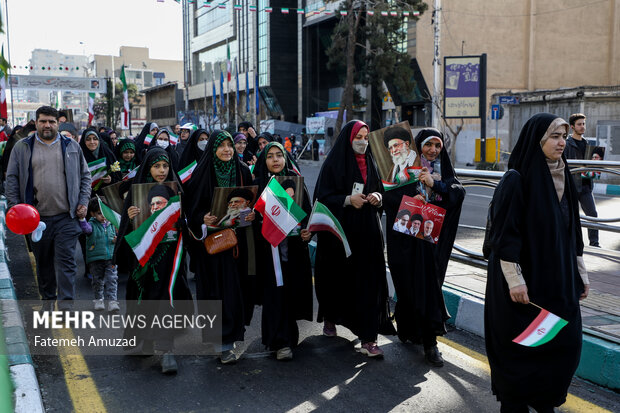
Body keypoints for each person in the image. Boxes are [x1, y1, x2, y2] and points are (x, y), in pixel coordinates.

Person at [484, 113, 589, 412]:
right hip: (524, 286)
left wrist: (581, 273)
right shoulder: (517, 179)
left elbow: (573, 232)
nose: (561, 143)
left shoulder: (564, 174)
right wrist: (515, 280)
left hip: (558, 281)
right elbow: (505, 236)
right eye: (554, 136)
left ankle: (545, 403)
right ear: (538, 140)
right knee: (521, 353)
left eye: (564, 136)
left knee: (563, 346)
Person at [383, 127, 464, 367]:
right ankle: (410, 329)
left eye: (438, 146)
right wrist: (409, 200)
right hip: (407, 242)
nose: (433, 150)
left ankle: (431, 343)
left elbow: (458, 192)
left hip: (431, 244)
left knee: (429, 288)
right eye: (428, 145)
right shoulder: (402, 169)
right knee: (408, 286)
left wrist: (435, 185)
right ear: (417, 147)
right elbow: (388, 196)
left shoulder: (443, 170)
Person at [313, 120, 395, 357]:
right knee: (338, 279)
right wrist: (348, 200)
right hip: (340, 234)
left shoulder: (372, 162)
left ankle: (369, 338)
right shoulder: (333, 164)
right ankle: (332, 317)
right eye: (358, 137)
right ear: (348, 139)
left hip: (368, 232)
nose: (363, 142)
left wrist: (378, 196)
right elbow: (323, 198)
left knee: (369, 281)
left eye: (366, 137)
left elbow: (380, 188)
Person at [114, 147, 193, 374]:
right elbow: (125, 234)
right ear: (148, 167)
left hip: (171, 259)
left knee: (166, 301)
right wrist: (129, 219)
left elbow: (187, 225)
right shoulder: (136, 194)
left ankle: (167, 351)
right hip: (145, 261)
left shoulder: (177, 191)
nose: (161, 170)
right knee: (145, 300)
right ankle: (146, 341)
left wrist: (181, 223)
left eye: (165, 166)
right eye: (156, 166)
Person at [5, 106, 91, 309]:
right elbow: (11, 179)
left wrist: (83, 202)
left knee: (66, 264)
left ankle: (66, 307)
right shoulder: (23, 147)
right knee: (43, 264)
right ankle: (48, 300)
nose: (47, 125)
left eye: (51, 121)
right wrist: (16, 208)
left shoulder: (71, 146)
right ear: (36, 122)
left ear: (58, 124)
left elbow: (85, 176)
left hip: (66, 218)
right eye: (43, 121)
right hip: (36, 220)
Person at [184, 130, 256, 364]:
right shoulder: (201, 174)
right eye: (221, 145)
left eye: (229, 145)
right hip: (213, 247)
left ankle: (232, 336)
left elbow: (253, 203)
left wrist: (251, 215)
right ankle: (221, 342)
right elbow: (190, 211)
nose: (227, 150)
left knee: (236, 291)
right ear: (212, 149)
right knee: (216, 291)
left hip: (239, 244)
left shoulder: (244, 171)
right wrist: (201, 220)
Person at [253, 142, 313, 360]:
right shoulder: (257, 184)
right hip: (268, 253)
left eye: (280, 155)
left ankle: (288, 336)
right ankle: (279, 341)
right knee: (274, 296)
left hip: (292, 252)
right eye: (270, 156)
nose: (276, 160)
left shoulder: (296, 183)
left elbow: (306, 214)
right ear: (264, 160)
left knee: (289, 294)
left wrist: (308, 233)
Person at [565, 113, 599, 247]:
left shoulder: (588, 144)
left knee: (592, 215)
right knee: (570, 217)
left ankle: (594, 244)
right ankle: (571, 243)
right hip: (571, 186)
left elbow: (592, 166)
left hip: (586, 186)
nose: (582, 127)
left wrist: (597, 167)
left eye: (584, 124)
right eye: (579, 124)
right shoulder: (567, 144)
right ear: (572, 127)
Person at [79, 198, 119, 312]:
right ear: (92, 214)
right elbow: (86, 230)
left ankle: (112, 301)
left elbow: (115, 235)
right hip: (96, 258)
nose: (103, 216)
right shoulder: (91, 224)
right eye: (99, 213)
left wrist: (116, 239)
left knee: (112, 279)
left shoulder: (112, 224)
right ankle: (98, 299)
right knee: (98, 280)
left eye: (104, 213)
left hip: (110, 257)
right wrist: (82, 219)